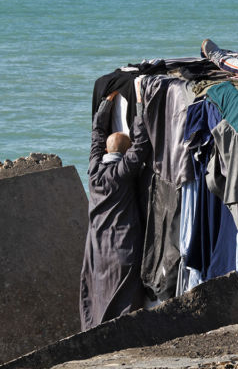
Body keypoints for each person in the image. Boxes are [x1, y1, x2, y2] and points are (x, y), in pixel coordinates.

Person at [79, 90, 151, 330]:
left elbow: (96, 139)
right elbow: (141, 143)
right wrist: (140, 103)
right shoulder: (121, 173)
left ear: (108, 152)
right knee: (125, 300)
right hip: (123, 244)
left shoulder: (93, 171)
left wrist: (104, 107)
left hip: (97, 247)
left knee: (97, 294)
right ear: (124, 151)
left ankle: (94, 332)